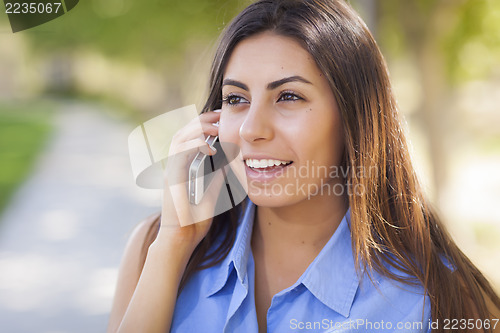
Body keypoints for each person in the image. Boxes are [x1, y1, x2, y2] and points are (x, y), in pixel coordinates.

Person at [107, 0, 500, 332]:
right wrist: (174, 246)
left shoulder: (446, 298)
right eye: (235, 99)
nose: (251, 129)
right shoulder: (154, 249)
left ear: (354, 118)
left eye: (289, 96)